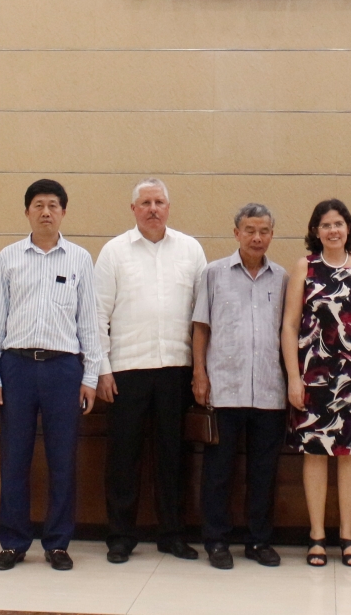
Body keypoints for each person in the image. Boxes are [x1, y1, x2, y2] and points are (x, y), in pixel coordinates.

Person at [0, 178, 102, 573]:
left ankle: (58, 543)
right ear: (27, 211)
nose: (46, 212)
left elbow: (90, 323)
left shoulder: (80, 259)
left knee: (62, 459)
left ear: (63, 212)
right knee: (14, 458)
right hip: (16, 367)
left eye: (53, 205)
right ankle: (13, 542)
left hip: (63, 369)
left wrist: (90, 377)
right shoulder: (8, 258)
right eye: (38, 205)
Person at [93, 177, 207, 563]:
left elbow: (202, 315)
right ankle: (120, 536)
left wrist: (200, 370)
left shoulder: (190, 250)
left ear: (169, 208)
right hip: (126, 370)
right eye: (145, 203)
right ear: (133, 209)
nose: (153, 209)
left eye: (159, 202)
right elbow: (97, 315)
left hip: (176, 369)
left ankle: (172, 534)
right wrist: (102, 369)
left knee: (173, 456)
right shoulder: (114, 252)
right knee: (123, 457)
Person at [281, 198, 351, 568]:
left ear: (348, 228)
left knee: (350, 453)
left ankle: (347, 536)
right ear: (316, 231)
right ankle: (316, 536)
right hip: (313, 376)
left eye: (338, 223)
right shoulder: (305, 266)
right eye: (325, 225)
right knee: (314, 453)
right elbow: (290, 325)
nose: (332, 230)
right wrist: (293, 378)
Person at [192, 203, 288, 570]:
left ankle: (259, 540)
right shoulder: (214, 273)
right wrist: (199, 373)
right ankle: (217, 540)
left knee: (263, 473)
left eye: (264, 231)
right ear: (236, 233)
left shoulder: (282, 279)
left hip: (269, 390)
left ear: (271, 235)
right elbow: (201, 327)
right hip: (224, 387)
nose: (257, 237)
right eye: (250, 230)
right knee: (219, 472)